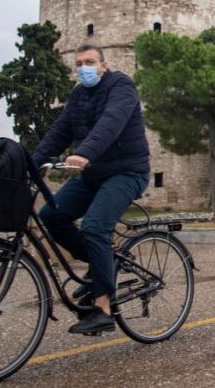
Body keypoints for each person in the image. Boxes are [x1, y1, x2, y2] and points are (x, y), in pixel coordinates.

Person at [32, 44, 150, 335]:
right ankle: (103, 266)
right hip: (92, 174)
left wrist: (84, 153)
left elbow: (111, 123)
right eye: (79, 63)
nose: (83, 67)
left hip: (127, 172)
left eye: (89, 62)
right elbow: (59, 132)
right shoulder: (78, 95)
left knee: (95, 227)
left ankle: (102, 309)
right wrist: (29, 165)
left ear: (103, 65)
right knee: (51, 215)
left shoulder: (121, 86)